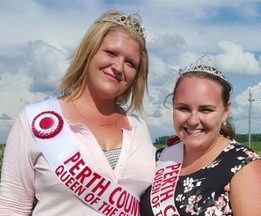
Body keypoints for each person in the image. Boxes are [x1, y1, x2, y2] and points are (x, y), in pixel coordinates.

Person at [0, 10, 156, 215]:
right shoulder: (34, 122)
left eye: (130, 63)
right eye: (111, 53)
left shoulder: (139, 127)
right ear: (88, 52)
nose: (118, 67)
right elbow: (11, 208)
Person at [140, 55, 261, 215]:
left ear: (225, 111)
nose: (193, 120)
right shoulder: (159, 158)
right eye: (184, 108)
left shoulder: (244, 166)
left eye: (206, 110)